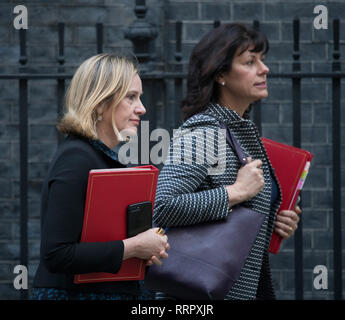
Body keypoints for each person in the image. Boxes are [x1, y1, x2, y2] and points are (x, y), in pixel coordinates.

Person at [153, 23, 301, 300]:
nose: (264, 69)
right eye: (250, 62)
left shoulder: (240, 133)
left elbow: (236, 222)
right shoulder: (204, 133)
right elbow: (163, 207)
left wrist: (275, 222)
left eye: (262, 60)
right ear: (220, 74)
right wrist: (236, 192)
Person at [31, 53, 169, 300]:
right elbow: (57, 254)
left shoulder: (100, 157)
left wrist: (145, 247)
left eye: (140, 97)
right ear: (100, 103)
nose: (142, 108)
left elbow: (100, 240)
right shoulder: (76, 159)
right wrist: (135, 246)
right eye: (131, 97)